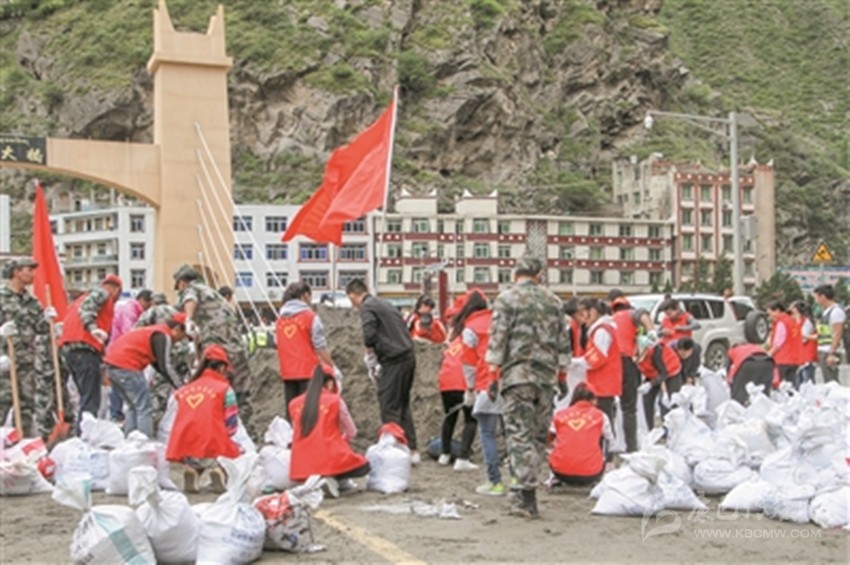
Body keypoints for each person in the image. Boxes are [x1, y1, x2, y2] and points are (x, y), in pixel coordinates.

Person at [485, 255, 569, 518]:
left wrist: (492, 375)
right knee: (537, 437)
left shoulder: (506, 299)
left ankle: (524, 496)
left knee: (519, 435)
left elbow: (498, 339)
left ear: (515, 274)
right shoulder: (554, 301)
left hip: (517, 377)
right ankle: (523, 491)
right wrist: (563, 375)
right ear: (539, 275)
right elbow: (563, 341)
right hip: (546, 379)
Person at [174, 265, 254, 437]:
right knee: (241, 392)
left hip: (219, 352)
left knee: (214, 391)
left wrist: (188, 319)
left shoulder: (193, 289)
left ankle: (217, 433)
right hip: (238, 349)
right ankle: (246, 434)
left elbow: (190, 299)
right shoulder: (214, 295)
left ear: (181, 283)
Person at [346, 278, 419, 462]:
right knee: (402, 404)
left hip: (394, 359)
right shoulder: (385, 304)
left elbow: (369, 335)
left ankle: (394, 449)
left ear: (353, 295)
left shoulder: (367, 307)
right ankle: (411, 449)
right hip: (408, 356)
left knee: (388, 405)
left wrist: (370, 356)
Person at [166, 344, 241, 494]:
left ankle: (193, 471)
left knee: (198, 455)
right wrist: (229, 439)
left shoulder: (186, 389)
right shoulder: (224, 389)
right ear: (221, 367)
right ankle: (220, 471)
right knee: (236, 453)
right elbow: (231, 423)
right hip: (212, 442)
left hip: (185, 444)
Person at [102, 313, 188, 438]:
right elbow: (165, 365)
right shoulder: (163, 335)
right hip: (127, 366)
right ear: (177, 328)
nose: (180, 340)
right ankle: (144, 443)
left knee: (133, 406)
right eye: (182, 336)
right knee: (144, 408)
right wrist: (181, 387)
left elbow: (157, 364)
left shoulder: (153, 331)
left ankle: (130, 441)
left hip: (113, 366)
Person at [0, 257, 58, 439]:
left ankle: (20, 443)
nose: (33, 274)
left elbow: (40, 328)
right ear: (16, 272)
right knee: (2, 402)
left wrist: (50, 322)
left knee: (26, 405)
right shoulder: (2, 297)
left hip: (26, 361)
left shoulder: (32, 301)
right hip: (4, 359)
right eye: (29, 270)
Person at [288, 364, 369, 491]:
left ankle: (321, 480)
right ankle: (334, 479)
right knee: (363, 465)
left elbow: (295, 432)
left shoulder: (294, 404)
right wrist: (342, 440)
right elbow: (351, 431)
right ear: (330, 383)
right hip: (329, 459)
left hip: (301, 466)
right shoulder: (335, 401)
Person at [58, 274, 123, 431]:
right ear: (116, 290)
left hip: (69, 351)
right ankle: (85, 436)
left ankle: (81, 432)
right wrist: (92, 328)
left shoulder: (79, 300)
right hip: (85, 349)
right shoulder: (102, 293)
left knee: (85, 396)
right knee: (90, 398)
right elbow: (88, 309)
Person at [276, 281, 338, 419]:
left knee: (292, 411)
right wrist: (332, 367)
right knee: (309, 411)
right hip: (308, 372)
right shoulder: (310, 317)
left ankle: (293, 432)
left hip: (287, 372)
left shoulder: (280, 320)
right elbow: (320, 346)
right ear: (304, 295)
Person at [436, 294, 478, 471]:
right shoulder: (471, 335)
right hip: (463, 380)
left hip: (446, 381)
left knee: (449, 417)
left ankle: (444, 454)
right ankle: (463, 457)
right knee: (471, 419)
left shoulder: (452, 338)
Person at [608, 292, 654, 453]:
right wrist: (651, 330)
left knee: (609, 406)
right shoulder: (630, 314)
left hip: (610, 363)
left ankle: (609, 448)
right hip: (626, 362)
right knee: (629, 408)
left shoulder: (610, 319)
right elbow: (643, 315)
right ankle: (631, 447)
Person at [548, 382, 613, 486]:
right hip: (592, 473)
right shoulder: (601, 416)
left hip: (560, 472)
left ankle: (553, 477)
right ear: (592, 399)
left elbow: (549, 439)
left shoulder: (559, 414)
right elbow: (610, 442)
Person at [571, 298, 621, 429]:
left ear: (593, 312)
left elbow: (596, 358)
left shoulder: (601, 331)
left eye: (582, 313)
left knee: (602, 421)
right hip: (603, 382)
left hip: (602, 383)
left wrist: (573, 362)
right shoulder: (602, 329)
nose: (581, 318)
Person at [106, 289, 153, 423]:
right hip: (123, 354)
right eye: (149, 304)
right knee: (138, 402)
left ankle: (117, 415)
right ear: (142, 300)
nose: (148, 308)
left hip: (116, 352)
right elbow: (130, 332)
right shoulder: (130, 310)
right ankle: (116, 414)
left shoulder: (131, 309)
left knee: (124, 392)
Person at [637, 337, 685, 429]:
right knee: (646, 400)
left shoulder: (655, 353)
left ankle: (670, 430)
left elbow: (663, 374)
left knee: (668, 403)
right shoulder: (635, 354)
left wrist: (652, 385)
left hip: (671, 372)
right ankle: (649, 429)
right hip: (653, 374)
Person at [658, 299, 702, 381]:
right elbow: (657, 332)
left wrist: (682, 328)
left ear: (677, 309)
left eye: (670, 313)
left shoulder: (686, 316)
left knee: (696, 347)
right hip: (669, 347)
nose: (669, 316)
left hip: (683, 345)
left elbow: (697, 325)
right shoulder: (665, 320)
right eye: (667, 314)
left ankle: (691, 375)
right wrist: (662, 332)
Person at [813, 284, 845, 383]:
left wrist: (832, 353)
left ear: (823, 296)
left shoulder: (836, 312)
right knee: (828, 381)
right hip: (824, 349)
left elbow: (837, 333)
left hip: (829, 350)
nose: (816, 301)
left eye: (816, 297)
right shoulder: (826, 311)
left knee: (832, 382)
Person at [765, 301, 801, 384]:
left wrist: (768, 354)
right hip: (794, 359)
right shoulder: (791, 320)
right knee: (792, 385)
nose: (770, 317)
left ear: (777, 310)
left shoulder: (781, 322)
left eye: (770, 314)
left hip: (782, 359)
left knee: (781, 386)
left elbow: (778, 342)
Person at [789, 300, 818, 387]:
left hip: (807, 355)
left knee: (808, 381)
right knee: (799, 382)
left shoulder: (806, 321)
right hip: (799, 355)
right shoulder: (795, 321)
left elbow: (803, 337)